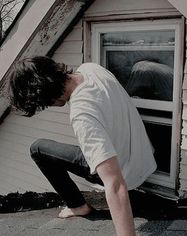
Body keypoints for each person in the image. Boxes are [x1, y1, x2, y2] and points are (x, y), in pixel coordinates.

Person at [8, 56, 157, 236]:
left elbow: (115, 184)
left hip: (126, 171)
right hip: (143, 154)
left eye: (43, 103)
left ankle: (78, 206)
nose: (48, 107)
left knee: (38, 149)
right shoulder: (91, 69)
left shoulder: (82, 114)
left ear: (46, 94)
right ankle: (77, 204)